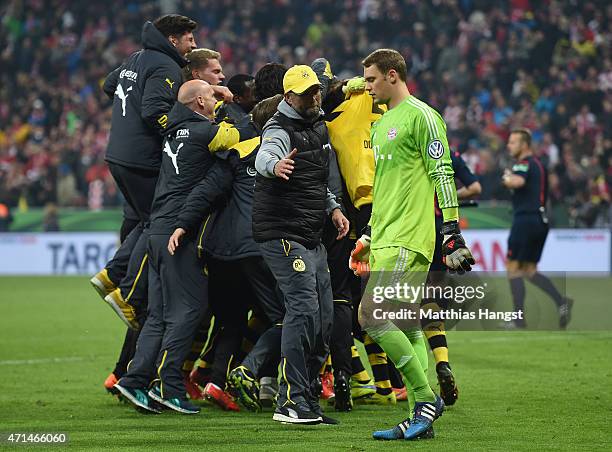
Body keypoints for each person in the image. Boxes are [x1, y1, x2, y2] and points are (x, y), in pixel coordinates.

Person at [352, 49, 474, 440]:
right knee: (407, 324)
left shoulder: (423, 116)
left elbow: (443, 172)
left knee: (370, 316)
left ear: (392, 75)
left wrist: (451, 231)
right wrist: (369, 233)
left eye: (371, 80)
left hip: (409, 237)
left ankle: (423, 399)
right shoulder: (383, 122)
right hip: (386, 236)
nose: (368, 87)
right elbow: (385, 186)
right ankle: (418, 420)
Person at [114, 79, 254, 414]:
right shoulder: (206, 134)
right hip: (181, 232)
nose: (214, 100)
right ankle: (169, 386)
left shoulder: (173, 133)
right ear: (201, 101)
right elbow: (243, 135)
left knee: (160, 315)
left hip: (157, 231)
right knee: (188, 309)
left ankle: (135, 381)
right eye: (209, 95)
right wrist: (227, 104)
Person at [252, 65, 349, 425]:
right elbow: (266, 155)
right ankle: (289, 401)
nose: (314, 96)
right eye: (306, 92)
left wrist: (334, 208)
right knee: (304, 310)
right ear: (288, 96)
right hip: (282, 232)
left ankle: (306, 399)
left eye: (316, 91)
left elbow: (314, 180)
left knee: (323, 317)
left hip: (310, 232)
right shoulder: (278, 128)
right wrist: (274, 166)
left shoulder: (317, 127)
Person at [90, 14, 198, 329]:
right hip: (141, 158)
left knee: (144, 218)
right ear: (173, 39)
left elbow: (110, 85)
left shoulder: (135, 58)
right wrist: (183, 132)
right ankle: (127, 293)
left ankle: (110, 275)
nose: (192, 44)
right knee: (159, 222)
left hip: (118, 154)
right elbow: (154, 110)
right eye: (188, 38)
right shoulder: (165, 65)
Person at [421, 149, 481, 406]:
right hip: (440, 228)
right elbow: (476, 187)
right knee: (432, 299)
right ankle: (442, 362)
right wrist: (449, 198)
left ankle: (396, 382)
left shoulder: (401, 145)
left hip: (410, 228)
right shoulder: (449, 154)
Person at [502, 128, 573, 329]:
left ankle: (519, 319)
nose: (509, 146)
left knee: (513, 268)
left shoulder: (524, 163)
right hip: (539, 220)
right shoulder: (538, 165)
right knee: (529, 270)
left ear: (524, 145)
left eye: (513, 142)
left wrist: (506, 178)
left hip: (525, 220)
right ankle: (561, 301)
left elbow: (518, 181)